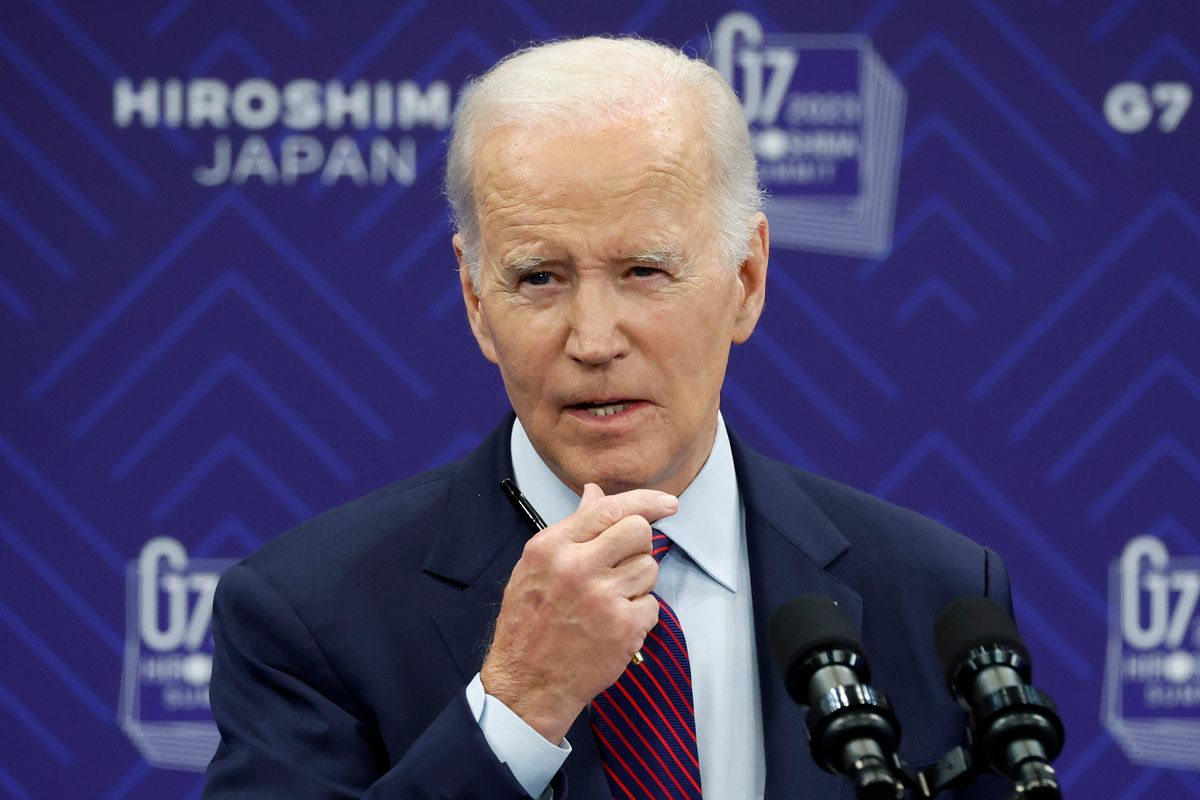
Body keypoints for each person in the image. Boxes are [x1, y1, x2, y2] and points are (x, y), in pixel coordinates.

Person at [203, 37, 1013, 799]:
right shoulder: (308, 614)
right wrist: (514, 709)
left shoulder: (937, 596)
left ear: (748, 279)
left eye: (644, 270)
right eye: (540, 278)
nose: (593, 340)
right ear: (476, 300)